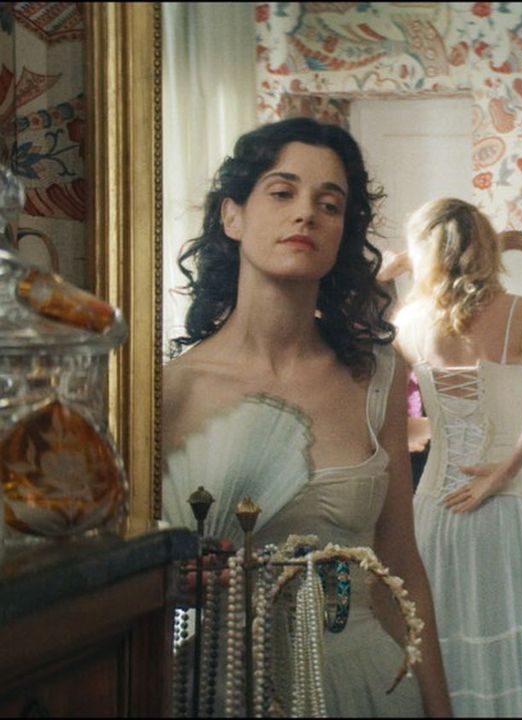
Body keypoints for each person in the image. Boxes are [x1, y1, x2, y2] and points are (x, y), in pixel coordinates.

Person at [161, 117, 453, 717]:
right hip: (225, 690)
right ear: (232, 216)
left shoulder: (377, 374)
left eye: (329, 204)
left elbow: (400, 560)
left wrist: (439, 708)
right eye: (282, 192)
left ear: (343, 232)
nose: (306, 215)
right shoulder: (169, 391)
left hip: (367, 684)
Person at [395, 197, 522, 716]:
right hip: (511, 502)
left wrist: (385, 273)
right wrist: (503, 472)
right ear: (487, 247)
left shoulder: (407, 322)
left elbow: (388, 419)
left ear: (423, 251)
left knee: (443, 635)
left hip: (437, 504)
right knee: (515, 638)